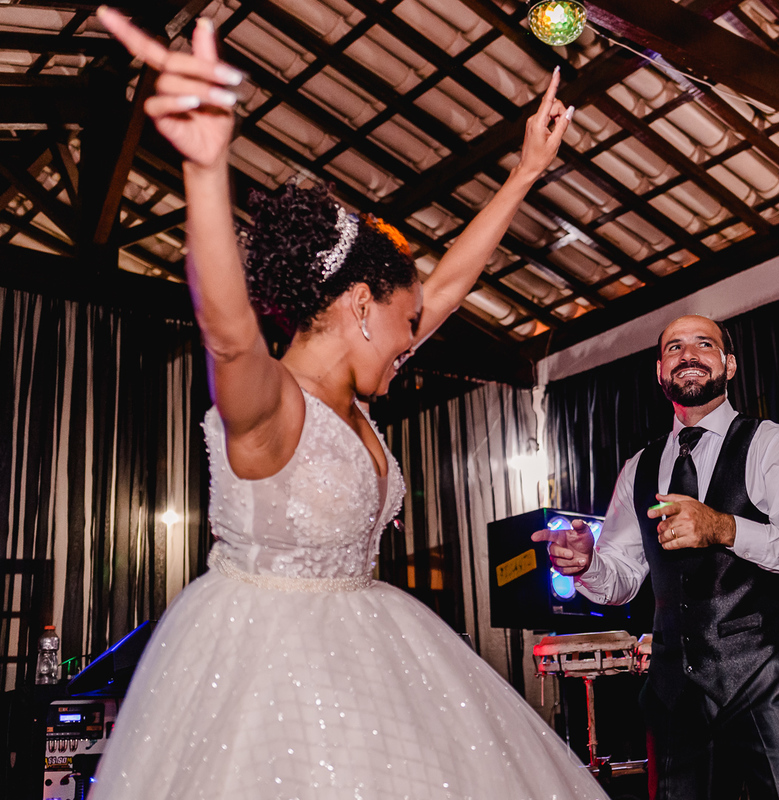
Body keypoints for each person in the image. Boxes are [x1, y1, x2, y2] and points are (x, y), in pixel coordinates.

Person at [91, 9, 603, 799]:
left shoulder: (355, 394)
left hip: (373, 658)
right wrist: (206, 169)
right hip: (267, 685)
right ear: (361, 304)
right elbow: (229, 338)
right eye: (406, 325)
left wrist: (526, 172)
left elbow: (449, 282)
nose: (413, 343)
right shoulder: (270, 406)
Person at [534, 314, 779, 799]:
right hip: (673, 693)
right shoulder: (639, 468)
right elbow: (621, 579)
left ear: (729, 365)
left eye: (704, 344)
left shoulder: (772, 444)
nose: (689, 354)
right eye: (675, 347)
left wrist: (723, 527)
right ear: (660, 371)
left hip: (762, 680)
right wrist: (588, 563)